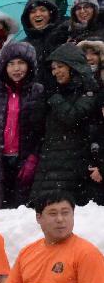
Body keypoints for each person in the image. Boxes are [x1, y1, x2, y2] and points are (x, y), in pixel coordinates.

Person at [0, 41, 44, 210]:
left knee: (22, 211)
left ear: (29, 65)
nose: (16, 69)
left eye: (21, 63)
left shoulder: (38, 91)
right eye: (11, 64)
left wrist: (33, 158)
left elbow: (41, 131)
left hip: (23, 159)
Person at [30, 43, 99, 205]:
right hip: (49, 159)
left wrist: (54, 97)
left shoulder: (89, 90)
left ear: (73, 67)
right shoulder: (56, 91)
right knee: (42, 208)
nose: (56, 72)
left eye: (60, 66)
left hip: (73, 163)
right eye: (53, 68)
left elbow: (73, 117)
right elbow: (37, 123)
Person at [21, 0, 69, 90]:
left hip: (60, 97)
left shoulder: (64, 37)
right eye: (33, 11)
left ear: (50, 14)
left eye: (43, 10)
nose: (38, 14)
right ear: (27, 17)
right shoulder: (22, 46)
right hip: (33, 99)